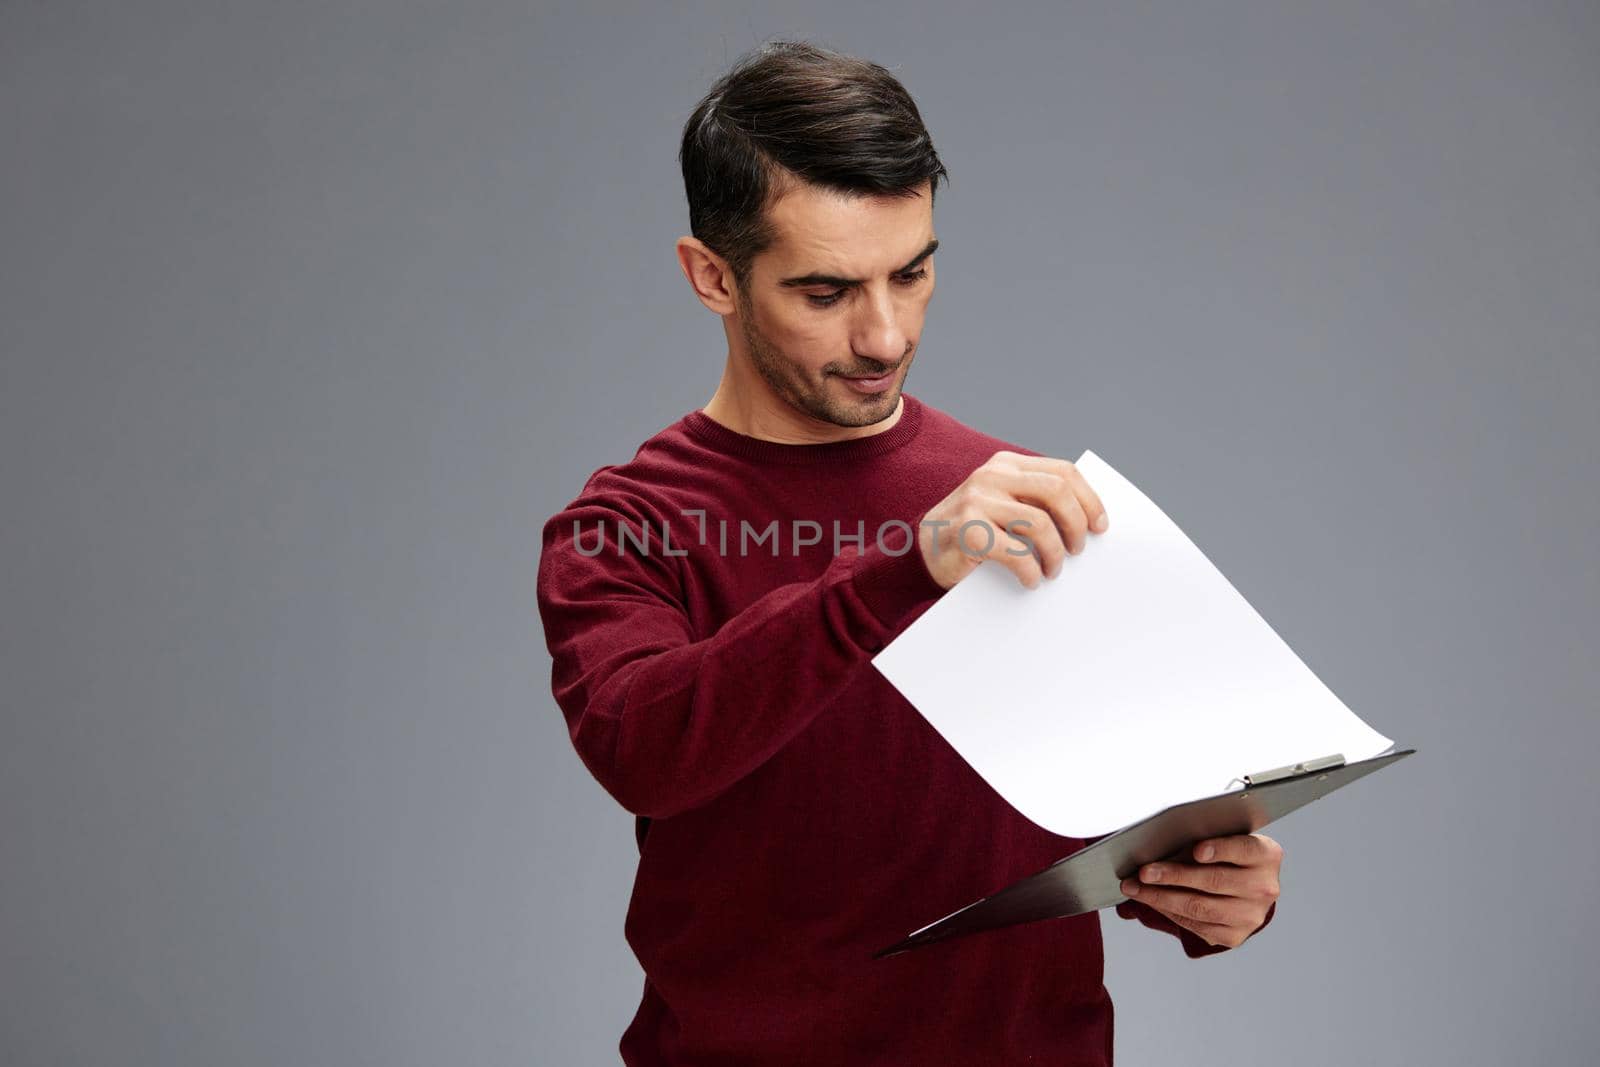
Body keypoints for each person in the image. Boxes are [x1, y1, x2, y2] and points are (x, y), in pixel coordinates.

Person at [536, 39, 1281, 1066]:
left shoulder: (1022, 496)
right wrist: (905, 567)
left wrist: (1211, 893)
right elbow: (645, 751)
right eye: (826, 292)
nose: (885, 335)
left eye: (913, 272)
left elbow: (1104, 816)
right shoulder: (627, 523)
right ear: (711, 275)